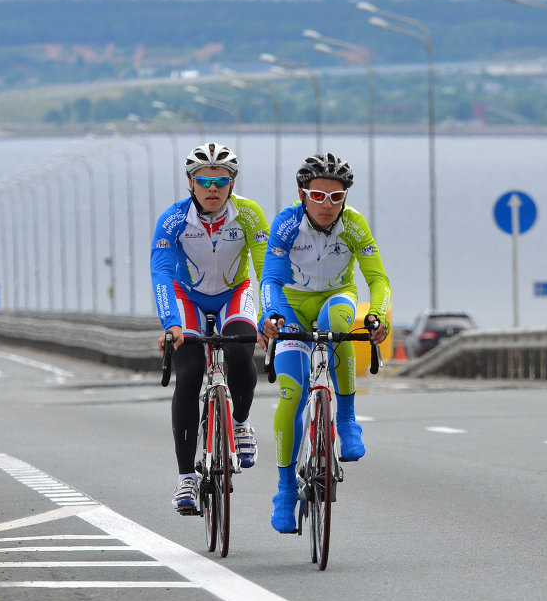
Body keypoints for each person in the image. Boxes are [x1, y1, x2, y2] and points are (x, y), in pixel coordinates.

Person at [260, 152, 390, 534]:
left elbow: (378, 280)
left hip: (337, 298)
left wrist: (377, 315)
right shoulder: (286, 224)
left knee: (337, 324)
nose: (327, 205)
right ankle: (285, 491)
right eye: (318, 196)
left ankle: (347, 419)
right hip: (291, 305)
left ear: (345, 198)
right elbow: (269, 279)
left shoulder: (354, 225)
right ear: (303, 195)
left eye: (336, 197)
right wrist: (271, 316)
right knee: (292, 394)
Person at [150, 142, 270, 515]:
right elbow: (162, 272)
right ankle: (186, 478)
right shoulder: (173, 220)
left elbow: (268, 270)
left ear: (232, 184)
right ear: (191, 184)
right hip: (188, 299)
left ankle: (240, 423)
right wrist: (171, 324)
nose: (213, 188)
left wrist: (269, 317)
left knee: (239, 349)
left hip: (235, 293)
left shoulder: (250, 216)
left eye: (221, 180)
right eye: (204, 180)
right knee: (188, 374)